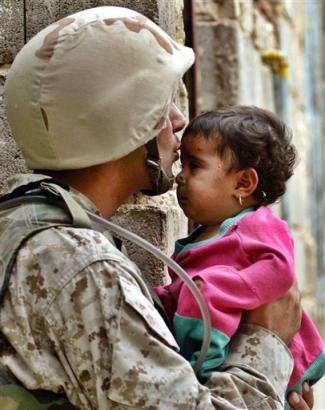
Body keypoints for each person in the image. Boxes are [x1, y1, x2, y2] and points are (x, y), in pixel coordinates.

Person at [0, 6, 313, 410]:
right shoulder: (80, 265)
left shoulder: (24, 222)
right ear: (121, 117)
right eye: (161, 103)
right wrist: (265, 344)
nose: (179, 120)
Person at [156, 106, 325, 408]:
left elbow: (280, 271)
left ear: (244, 183)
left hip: (245, 374)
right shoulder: (211, 232)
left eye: (195, 166)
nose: (180, 177)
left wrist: (215, 291)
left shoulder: (257, 226)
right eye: (182, 165)